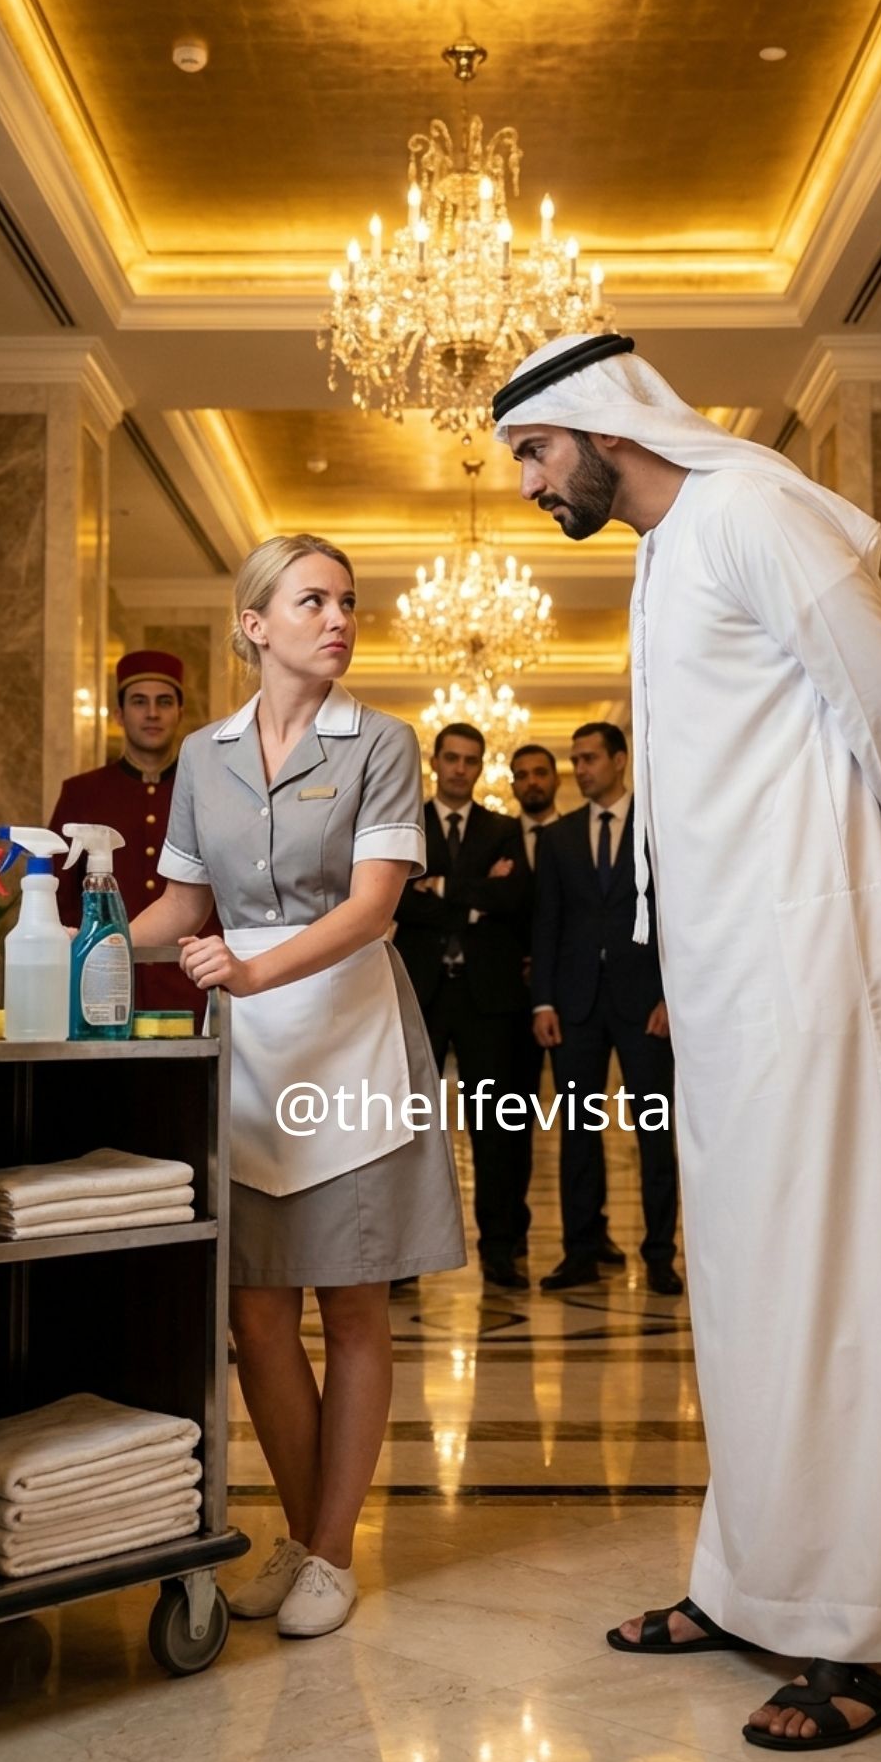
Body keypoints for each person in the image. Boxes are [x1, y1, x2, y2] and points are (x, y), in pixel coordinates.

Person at [493, 332, 881, 1750]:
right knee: (749, 1282)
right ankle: (753, 1582)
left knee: (840, 1276)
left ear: (603, 425)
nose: (528, 483)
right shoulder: (667, 548)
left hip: (821, 950)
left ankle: (874, 1639)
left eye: (534, 452)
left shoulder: (756, 508)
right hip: (728, 976)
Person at [131, 534, 465, 1639]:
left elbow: (374, 907)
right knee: (258, 1310)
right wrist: (68, 940)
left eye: (347, 602)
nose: (338, 619)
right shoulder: (205, 755)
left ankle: (333, 1552)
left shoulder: (383, 742)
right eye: (312, 600)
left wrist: (253, 969)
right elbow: (184, 909)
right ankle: (304, 1536)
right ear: (254, 624)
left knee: (352, 1302)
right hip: (250, 1059)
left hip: (352, 1037)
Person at [531, 721, 679, 1293]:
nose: (580, 769)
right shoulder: (559, 837)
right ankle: (581, 1252)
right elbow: (547, 924)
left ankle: (660, 1254)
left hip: (645, 1005)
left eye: (590, 758)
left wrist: (671, 995)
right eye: (575, 760)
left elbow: (676, 917)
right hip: (575, 1006)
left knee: (654, 1133)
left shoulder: (658, 826)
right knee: (578, 1134)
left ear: (620, 760)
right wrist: (543, 1001)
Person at [393, 726, 532, 1289]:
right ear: (435, 761)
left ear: (480, 767)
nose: (459, 768)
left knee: (495, 1127)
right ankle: (406, 1257)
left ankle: (500, 1249)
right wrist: (476, 898)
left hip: (487, 996)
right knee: (410, 1126)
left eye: (470, 761)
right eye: (451, 758)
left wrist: (441, 888)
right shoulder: (407, 824)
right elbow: (398, 899)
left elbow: (513, 897)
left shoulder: (503, 828)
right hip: (421, 991)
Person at [49, 650, 217, 1018]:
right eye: (140, 702)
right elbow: (59, 894)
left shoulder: (210, 790)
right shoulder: (82, 793)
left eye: (164, 702)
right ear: (119, 714)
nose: (152, 713)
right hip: (104, 984)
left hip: (193, 984)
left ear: (180, 712)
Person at [509, 744, 563, 1245]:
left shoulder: (577, 834)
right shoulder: (501, 837)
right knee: (515, 1119)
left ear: (555, 779)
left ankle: (590, 1235)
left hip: (571, 996)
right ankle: (513, 1230)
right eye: (522, 774)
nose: (532, 782)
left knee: (580, 1118)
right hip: (508, 999)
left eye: (540, 773)